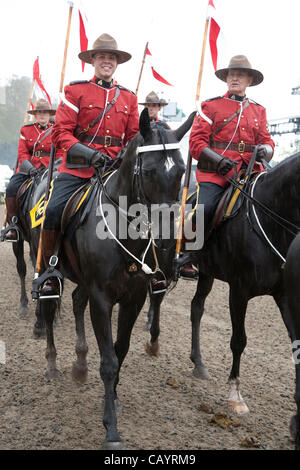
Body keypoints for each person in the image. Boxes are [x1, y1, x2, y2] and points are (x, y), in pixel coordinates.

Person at [38, 33, 140, 296]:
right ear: (93, 60)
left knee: (147, 212)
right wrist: (89, 154)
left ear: (117, 63)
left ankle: (146, 266)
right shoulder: (76, 91)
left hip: (114, 173)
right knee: (53, 210)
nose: (107, 61)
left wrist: (123, 156)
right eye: (102, 56)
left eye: (112, 58)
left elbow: (133, 138)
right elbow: (61, 133)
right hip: (78, 171)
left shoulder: (128, 98)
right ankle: (48, 272)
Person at [181, 55, 275, 278]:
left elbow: (267, 140)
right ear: (226, 79)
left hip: (250, 174)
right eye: (231, 74)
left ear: (249, 80)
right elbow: (196, 143)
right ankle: (189, 255)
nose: (235, 78)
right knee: (203, 209)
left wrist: (266, 150)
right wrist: (218, 161)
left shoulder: (259, 111)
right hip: (217, 175)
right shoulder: (211, 105)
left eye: (240, 74)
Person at [2, 99, 56, 241]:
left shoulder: (56, 130)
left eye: (45, 113)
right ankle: (13, 225)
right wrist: (30, 168)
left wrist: (54, 166)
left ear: (49, 114)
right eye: (40, 112)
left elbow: (62, 153)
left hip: (50, 169)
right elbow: (22, 153)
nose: (43, 115)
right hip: (29, 169)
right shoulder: (26, 130)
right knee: (11, 188)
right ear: (36, 115)